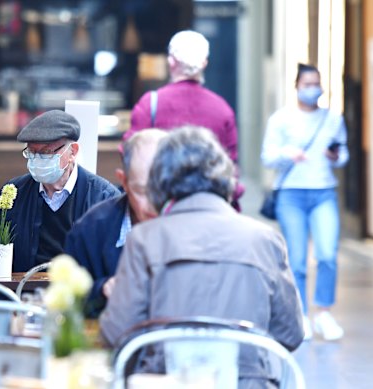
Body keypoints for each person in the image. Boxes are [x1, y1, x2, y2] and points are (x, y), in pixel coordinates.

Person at [100, 126, 304, 386]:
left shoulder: (145, 239)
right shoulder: (264, 239)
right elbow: (290, 333)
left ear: (160, 182)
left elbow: (116, 332)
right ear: (226, 177)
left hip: (168, 382)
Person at [261, 63, 349, 341]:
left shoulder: (333, 119)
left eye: (316, 84)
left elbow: (343, 154)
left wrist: (337, 157)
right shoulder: (281, 119)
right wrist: (289, 153)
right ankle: (301, 313)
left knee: (327, 255)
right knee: (297, 260)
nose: (313, 89)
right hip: (291, 194)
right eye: (307, 84)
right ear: (297, 86)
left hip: (324, 191)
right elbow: (267, 156)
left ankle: (323, 312)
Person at [124, 29, 244, 208]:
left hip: (161, 207)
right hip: (211, 206)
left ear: (171, 61)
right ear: (204, 63)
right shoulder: (222, 108)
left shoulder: (150, 103)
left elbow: (132, 153)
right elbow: (231, 165)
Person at [64, 129, 168, 316]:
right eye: (142, 191)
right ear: (124, 181)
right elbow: (69, 302)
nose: (153, 203)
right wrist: (102, 290)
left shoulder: (193, 226)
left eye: (162, 189)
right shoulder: (89, 231)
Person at [3, 110, 120, 272]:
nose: (37, 159)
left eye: (45, 152)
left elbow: (113, 262)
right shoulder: (14, 193)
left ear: (72, 152)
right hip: (23, 291)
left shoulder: (104, 197)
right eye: (31, 152)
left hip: (81, 293)